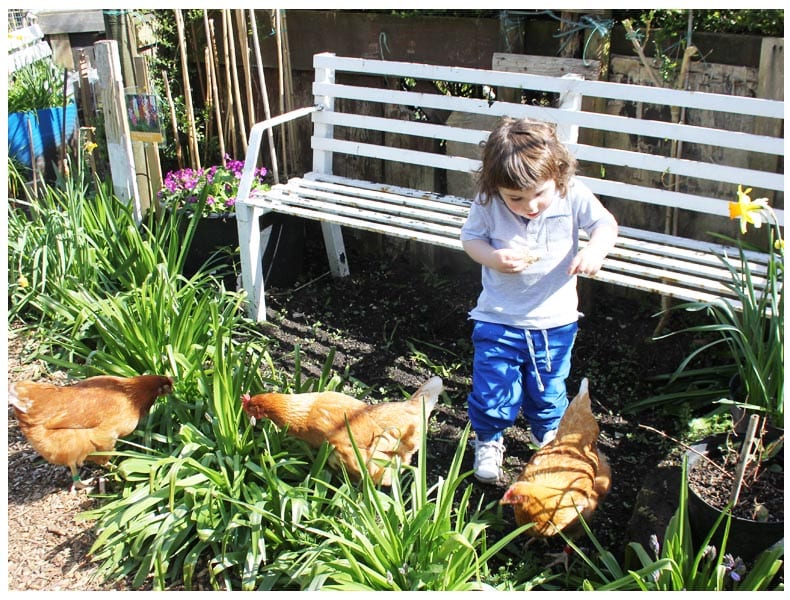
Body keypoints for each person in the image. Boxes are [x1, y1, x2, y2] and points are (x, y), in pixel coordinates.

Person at [460, 117, 618, 484]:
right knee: (493, 387)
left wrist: (596, 250)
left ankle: (545, 435)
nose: (530, 205)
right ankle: (489, 439)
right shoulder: (488, 201)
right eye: (515, 198)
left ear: (558, 176)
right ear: (495, 187)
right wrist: (494, 258)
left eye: (539, 194)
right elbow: (471, 240)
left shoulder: (571, 193)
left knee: (549, 389)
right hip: (499, 317)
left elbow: (605, 225)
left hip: (555, 320)